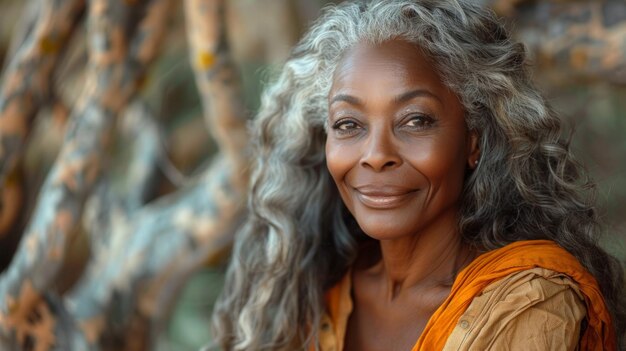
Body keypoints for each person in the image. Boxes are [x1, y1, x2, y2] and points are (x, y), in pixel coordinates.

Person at [211, 1, 626, 350]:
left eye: (415, 120)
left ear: (473, 143)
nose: (376, 156)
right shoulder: (312, 291)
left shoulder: (530, 303)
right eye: (348, 124)